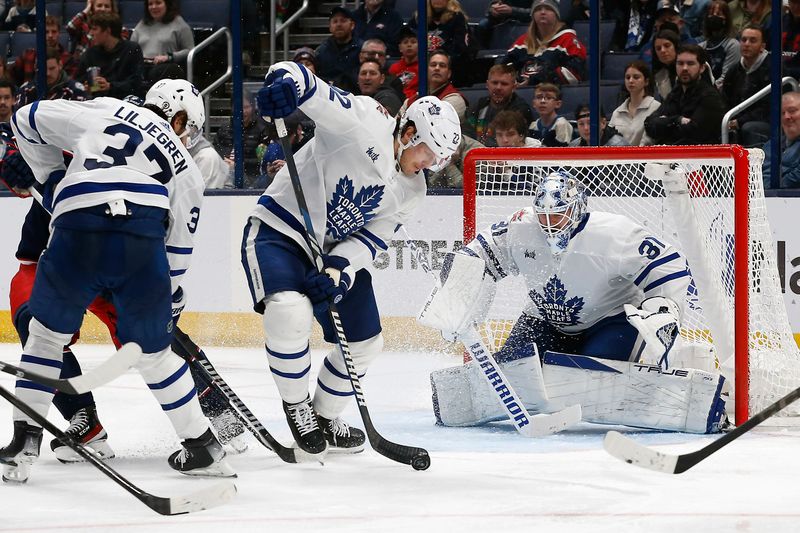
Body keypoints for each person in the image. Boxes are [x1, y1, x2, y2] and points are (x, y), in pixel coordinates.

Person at [0, 82, 235, 482]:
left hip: (78, 221)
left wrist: (49, 177)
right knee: (154, 350)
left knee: (44, 338)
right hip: (141, 238)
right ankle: (204, 447)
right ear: (178, 118)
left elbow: (24, 117)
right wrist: (167, 301)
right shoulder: (187, 167)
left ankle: (25, 442)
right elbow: (178, 252)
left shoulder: (104, 108)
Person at [250, 60, 461, 458]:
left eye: (438, 161)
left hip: (331, 250)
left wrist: (339, 267)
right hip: (282, 230)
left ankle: (325, 415)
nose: (429, 166)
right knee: (290, 312)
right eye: (429, 155)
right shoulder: (365, 122)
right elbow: (311, 87)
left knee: (366, 342)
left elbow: (372, 237)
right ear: (410, 131)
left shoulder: (414, 190)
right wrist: (285, 80)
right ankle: (297, 407)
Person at [418, 172, 727, 434]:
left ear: (577, 209)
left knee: (589, 382)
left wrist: (664, 308)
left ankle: (675, 359)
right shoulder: (521, 227)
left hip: (609, 320)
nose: (550, 223)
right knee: (513, 370)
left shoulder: (612, 234)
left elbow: (670, 263)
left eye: (559, 214)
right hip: (544, 319)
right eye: (544, 215)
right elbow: (476, 256)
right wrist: (455, 297)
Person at [644, 44, 727, 145]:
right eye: (680, 63)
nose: (684, 68)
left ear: (702, 68)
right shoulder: (675, 93)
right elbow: (649, 124)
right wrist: (677, 120)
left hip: (700, 156)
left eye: (690, 63)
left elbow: (694, 134)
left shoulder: (710, 96)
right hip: (671, 153)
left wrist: (665, 124)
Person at [503, 0, 587, 87]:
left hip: (551, 93)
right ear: (533, 15)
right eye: (538, 9)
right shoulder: (523, 41)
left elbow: (574, 74)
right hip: (519, 91)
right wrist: (512, 80)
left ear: (556, 15)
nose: (543, 12)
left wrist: (535, 80)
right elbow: (504, 67)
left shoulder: (568, 40)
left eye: (548, 9)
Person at [721, 24, 770, 148]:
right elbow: (724, 100)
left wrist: (739, 122)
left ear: (762, 46)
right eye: (743, 40)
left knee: (749, 128)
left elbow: (769, 108)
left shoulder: (774, 68)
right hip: (736, 120)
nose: (747, 44)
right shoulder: (734, 70)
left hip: (767, 122)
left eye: (753, 40)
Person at [77, 12, 144, 99]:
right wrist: (85, 87)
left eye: (94, 29)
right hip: (97, 102)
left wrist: (110, 86)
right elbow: (78, 81)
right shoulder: (90, 53)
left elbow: (136, 82)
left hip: (125, 102)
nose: (90, 33)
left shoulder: (132, 49)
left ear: (108, 31)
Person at [467, 63, 534, 147]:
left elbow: (515, 143)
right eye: (495, 83)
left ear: (514, 87)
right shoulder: (480, 105)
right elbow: (466, 133)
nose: (498, 87)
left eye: (504, 84)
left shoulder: (520, 110)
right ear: (487, 84)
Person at [409, 0, 473, 86]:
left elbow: (459, 47)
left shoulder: (457, 17)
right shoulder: (419, 16)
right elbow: (409, 39)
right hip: (421, 66)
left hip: (449, 66)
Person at [130, 0, 194, 86]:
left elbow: (189, 50)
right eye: (150, 4)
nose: (153, 7)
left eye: (158, 3)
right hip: (143, 65)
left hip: (166, 66)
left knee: (158, 72)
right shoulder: (142, 24)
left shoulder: (179, 24)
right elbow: (131, 48)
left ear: (167, 5)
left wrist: (169, 57)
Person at [213, 91, 269, 188]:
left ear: (252, 107)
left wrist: (237, 167)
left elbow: (262, 162)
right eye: (238, 107)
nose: (243, 111)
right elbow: (215, 152)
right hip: (223, 178)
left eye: (246, 107)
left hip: (251, 180)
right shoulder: (224, 129)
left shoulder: (262, 129)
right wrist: (224, 162)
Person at [398, 50, 469, 127]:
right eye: (433, 65)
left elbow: (435, 127)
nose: (437, 68)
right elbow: (396, 125)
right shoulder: (411, 100)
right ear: (426, 71)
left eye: (442, 65)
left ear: (449, 74)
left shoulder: (455, 100)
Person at [10, 16, 79, 87]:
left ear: (59, 33)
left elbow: (69, 85)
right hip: (30, 95)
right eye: (46, 32)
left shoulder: (69, 59)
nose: (50, 35)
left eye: (54, 32)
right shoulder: (28, 54)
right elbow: (9, 76)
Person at [609, 60, 661, 146]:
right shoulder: (617, 112)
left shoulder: (656, 108)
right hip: (620, 158)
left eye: (636, 77)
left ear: (646, 81)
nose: (631, 81)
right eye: (627, 77)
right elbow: (609, 140)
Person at [16, 47, 88, 108]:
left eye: (52, 68)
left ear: (60, 65)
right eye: (43, 69)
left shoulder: (76, 90)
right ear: (35, 67)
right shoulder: (26, 90)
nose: (48, 73)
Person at [315, 7, 363, 91]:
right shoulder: (321, 51)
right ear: (330, 27)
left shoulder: (362, 48)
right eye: (335, 21)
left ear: (352, 25)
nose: (339, 24)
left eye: (343, 20)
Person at [762, 92, 800, 189]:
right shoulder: (770, 146)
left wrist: (776, 188)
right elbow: (760, 178)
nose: (786, 117)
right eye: (782, 113)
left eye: (792, 111)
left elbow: (795, 179)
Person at [698, 0, 740, 88]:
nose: (714, 17)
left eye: (718, 14)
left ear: (725, 19)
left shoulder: (733, 45)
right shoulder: (701, 47)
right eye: (711, 14)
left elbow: (726, 78)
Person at [528, 82, 573, 146]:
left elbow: (562, 152)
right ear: (534, 103)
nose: (542, 101)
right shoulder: (533, 126)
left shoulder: (561, 124)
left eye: (548, 98)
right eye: (539, 97)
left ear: (558, 104)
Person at [388, 25, 419, 100]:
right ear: (400, 48)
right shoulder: (394, 68)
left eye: (413, 42)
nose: (409, 45)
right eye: (405, 42)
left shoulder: (424, 67)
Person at [651, 27, 680, 101]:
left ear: (676, 47)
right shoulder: (657, 75)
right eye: (658, 48)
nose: (662, 51)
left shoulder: (690, 67)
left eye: (667, 46)